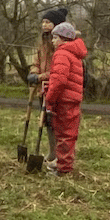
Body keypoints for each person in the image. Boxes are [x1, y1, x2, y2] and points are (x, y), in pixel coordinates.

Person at [45, 22, 87, 176]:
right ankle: (64, 164)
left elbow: (59, 80)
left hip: (64, 101)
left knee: (63, 135)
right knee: (69, 134)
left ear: (62, 39)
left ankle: (63, 168)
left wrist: (50, 97)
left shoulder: (62, 54)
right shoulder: (75, 53)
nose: (52, 41)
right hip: (73, 98)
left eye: (55, 38)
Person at [27, 7, 67, 163]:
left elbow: (58, 71)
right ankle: (52, 152)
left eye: (48, 22)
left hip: (55, 87)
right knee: (46, 121)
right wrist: (34, 72)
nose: (44, 25)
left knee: (55, 121)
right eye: (43, 22)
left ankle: (60, 154)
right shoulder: (42, 42)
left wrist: (41, 77)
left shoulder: (59, 44)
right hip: (42, 87)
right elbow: (36, 60)